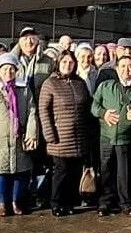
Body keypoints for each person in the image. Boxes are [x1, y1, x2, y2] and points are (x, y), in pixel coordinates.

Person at [91, 52, 131, 216]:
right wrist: (103, 113)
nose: (126, 70)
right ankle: (105, 201)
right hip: (106, 136)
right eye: (123, 66)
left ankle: (126, 203)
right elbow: (93, 106)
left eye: (129, 66)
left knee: (125, 172)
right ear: (116, 69)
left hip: (127, 138)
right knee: (106, 169)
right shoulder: (105, 87)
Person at [0, 53, 37, 215]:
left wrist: (32, 133)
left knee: (21, 171)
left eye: (12, 69)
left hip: (20, 137)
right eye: (5, 69)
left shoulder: (24, 89)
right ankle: (2, 203)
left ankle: (16, 201)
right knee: (1, 171)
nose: (8, 72)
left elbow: (32, 111)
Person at [37, 50, 92, 216]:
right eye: (64, 62)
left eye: (70, 62)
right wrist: (49, 134)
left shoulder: (80, 82)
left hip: (79, 137)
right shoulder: (50, 83)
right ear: (58, 64)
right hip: (60, 137)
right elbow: (43, 110)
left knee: (75, 172)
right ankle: (56, 203)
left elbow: (87, 107)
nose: (67, 65)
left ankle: (70, 203)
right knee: (60, 172)